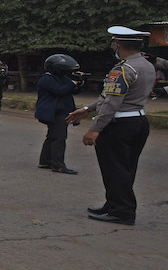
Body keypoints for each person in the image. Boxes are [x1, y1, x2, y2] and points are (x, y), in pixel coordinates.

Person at [66, 26, 156, 225]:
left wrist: (94, 129)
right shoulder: (146, 65)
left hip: (120, 124)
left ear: (117, 45)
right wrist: (88, 109)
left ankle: (122, 211)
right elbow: (114, 98)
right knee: (126, 168)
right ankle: (114, 204)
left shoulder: (123, 69)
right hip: (138, 121)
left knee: (114, 168)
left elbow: (112, 103)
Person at [35, 54, 86, 174]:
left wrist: (80, 82)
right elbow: (60, 91)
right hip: (53, 112)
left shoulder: (61, 78)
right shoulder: (46, 79)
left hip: (60, 111)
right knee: (59, 137)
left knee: (52, 136)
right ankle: (58, 165)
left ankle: (45, 161)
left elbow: (73, 90)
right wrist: (73, 83)